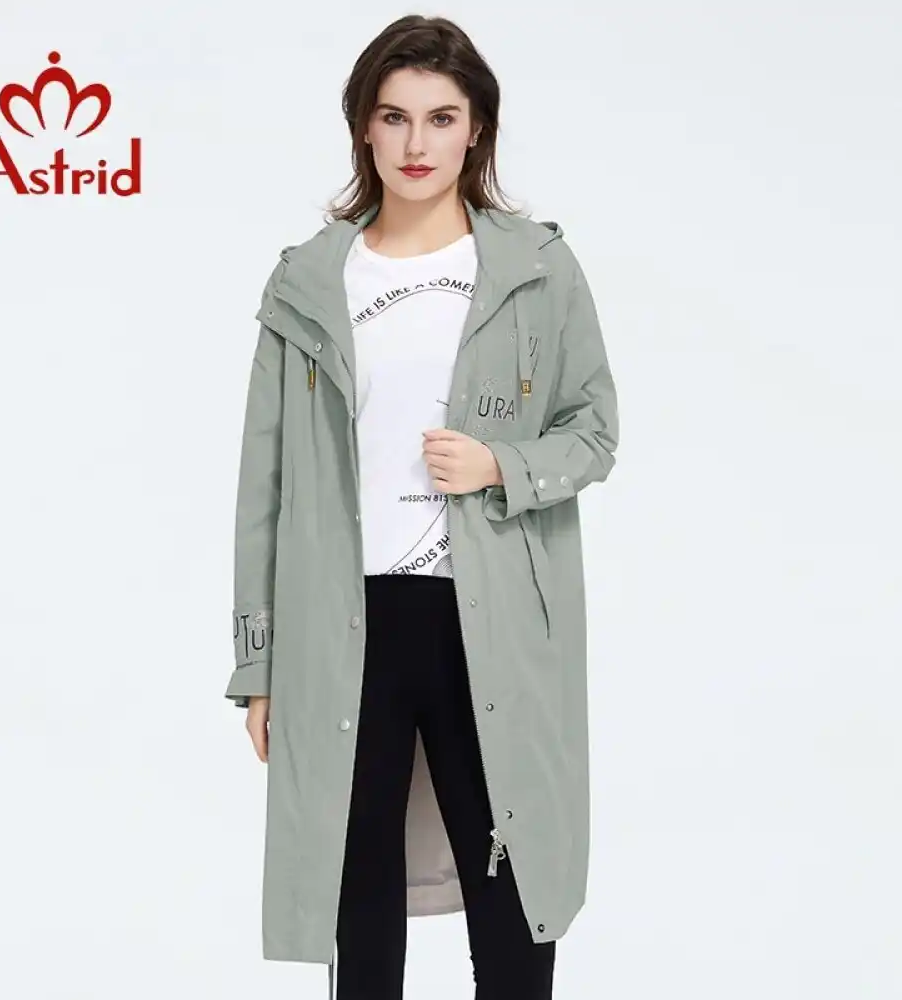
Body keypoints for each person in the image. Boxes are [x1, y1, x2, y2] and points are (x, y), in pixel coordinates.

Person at [226, 14, 619, 1000]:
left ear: (476, 129)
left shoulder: (535, 269)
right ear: (362, 126)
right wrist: (259, 663)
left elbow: (594, 431)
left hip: (489, 620)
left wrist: (499, 463)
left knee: (512, 892)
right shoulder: (308, 282)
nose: (415, 143)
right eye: (393, 116)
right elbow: (264, 487)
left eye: (441, 118)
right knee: (355, 901)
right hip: (343, 625)